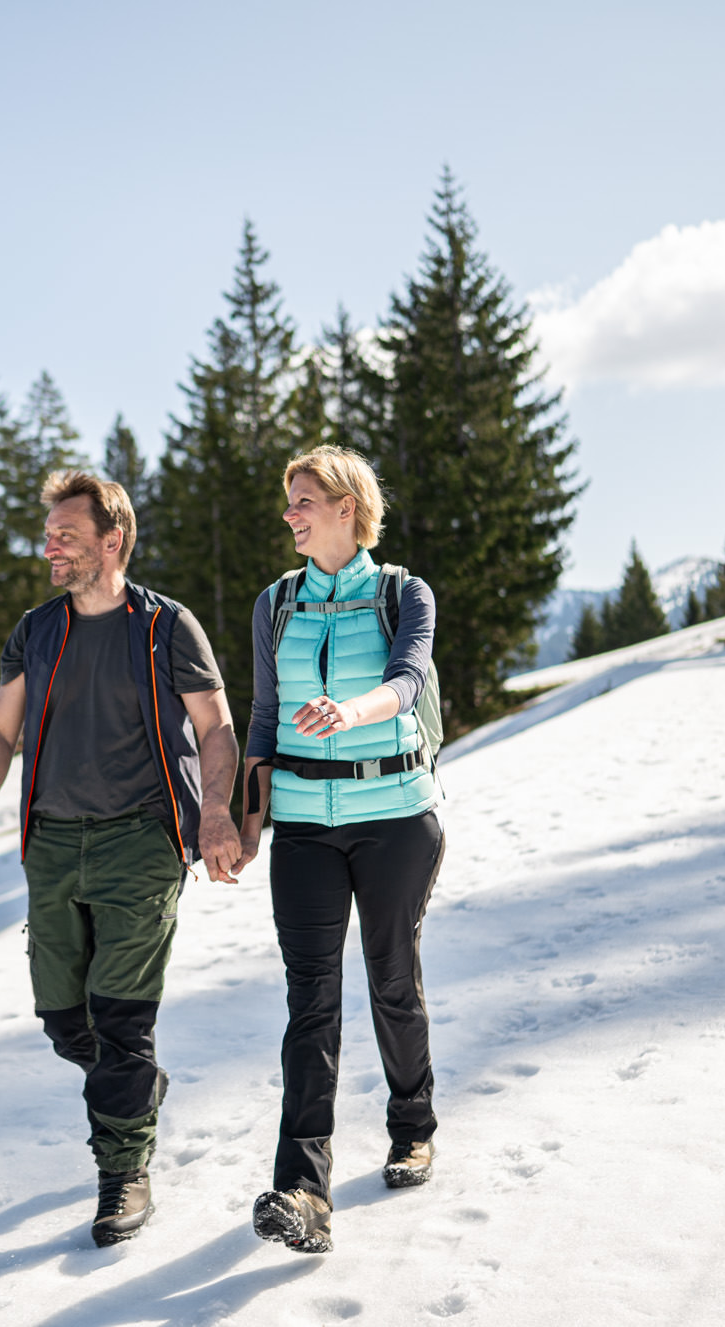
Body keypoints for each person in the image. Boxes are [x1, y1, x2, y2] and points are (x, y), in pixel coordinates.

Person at [0, 470, 244, 1247]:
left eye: (67, 534)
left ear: (111, 541)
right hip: (51, 845)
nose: (49, 546)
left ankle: (123, 1171)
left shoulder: (165, 627)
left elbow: (216, 729)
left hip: (139, 844)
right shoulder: (37, 629)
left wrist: (217, 812)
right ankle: (134, 1088)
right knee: (63, 1017)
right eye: (49, 532)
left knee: (120, 1019)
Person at [235, 446, 446, 1256]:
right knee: (310, 1000)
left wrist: (350, 713)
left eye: (305, 499)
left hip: (395, 815)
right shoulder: (276, 604)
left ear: (349, 507)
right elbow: (262, 717)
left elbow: (409, 678)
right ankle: (303, 1190)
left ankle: (412, 1125)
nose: (291, 513)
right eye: (289, 500)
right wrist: (248, 822)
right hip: (303, 830)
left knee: (393, 976)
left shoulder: (402, 593)